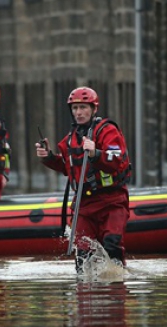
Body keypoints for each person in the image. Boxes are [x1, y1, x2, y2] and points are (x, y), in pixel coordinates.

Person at [35, 86, 132, 272]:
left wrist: (96, 153)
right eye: (75, 108)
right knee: (83, 255)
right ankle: (84, 293)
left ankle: (116, 288)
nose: (78, 112)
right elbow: (66, 166)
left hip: (111, 201)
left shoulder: (107, 131)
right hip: (84, 205)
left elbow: (117, 160)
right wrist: (47, 157)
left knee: (112, 245)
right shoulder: (70, 140)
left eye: (83, 107)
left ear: (94, 108)